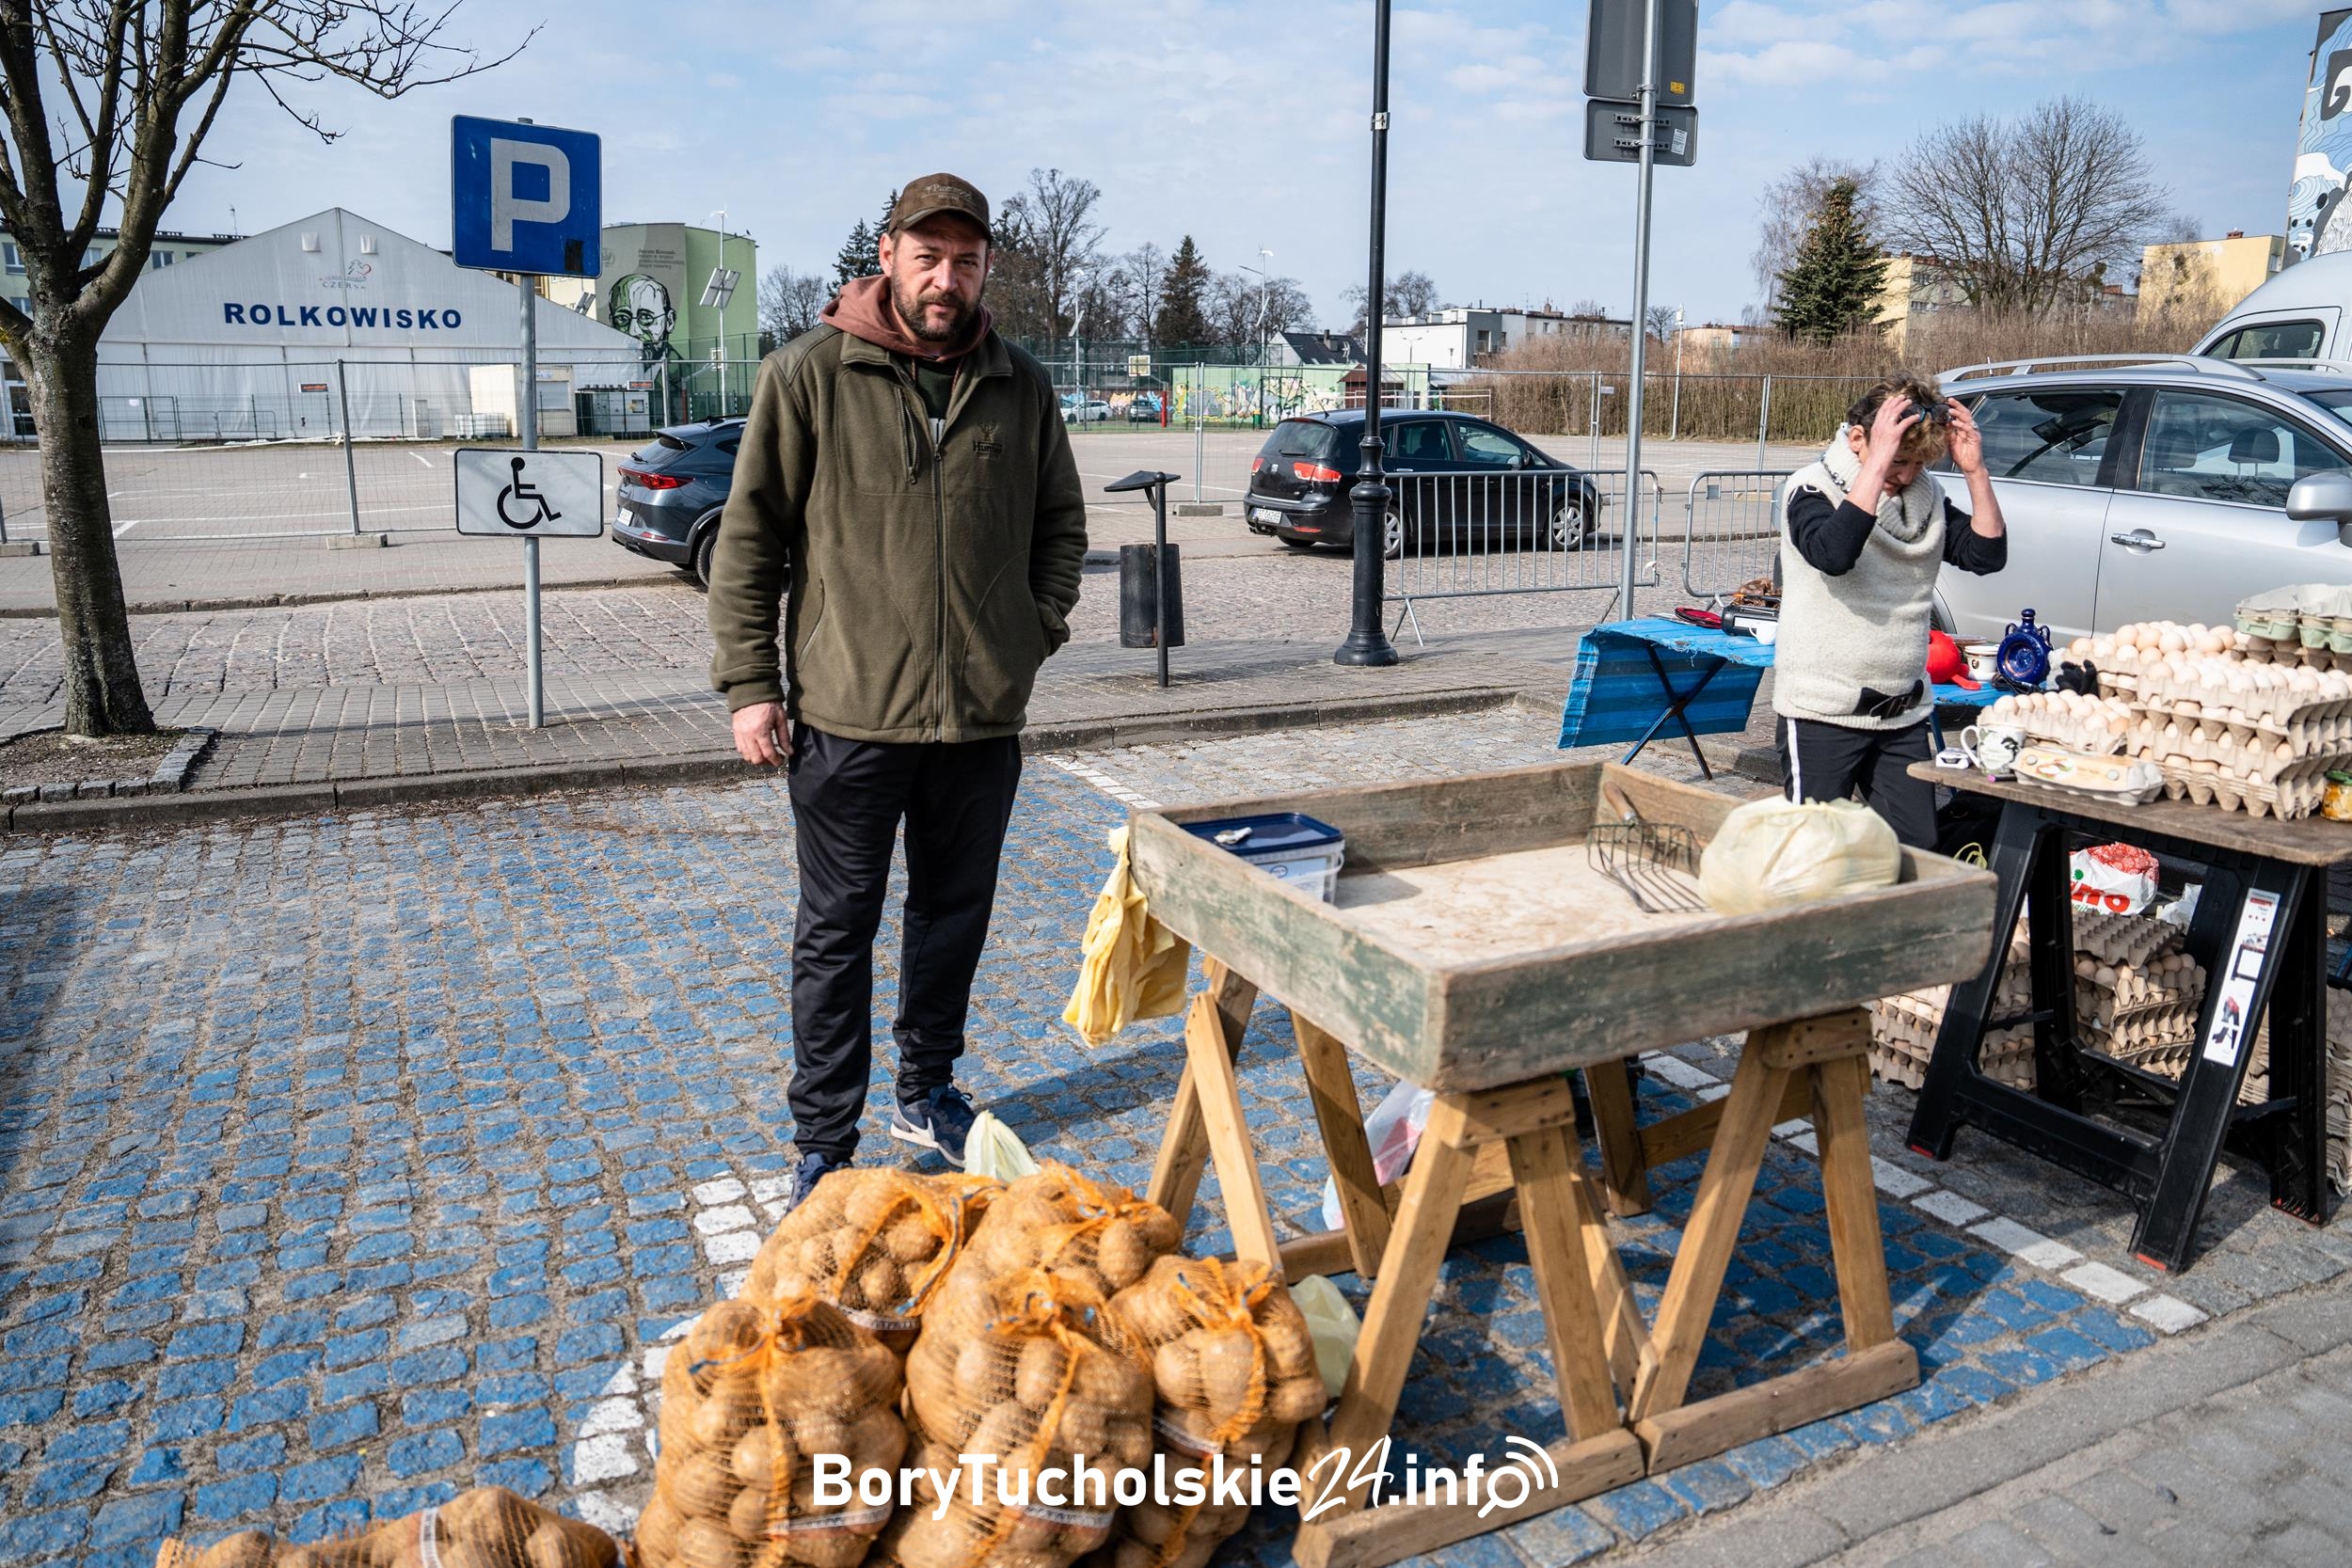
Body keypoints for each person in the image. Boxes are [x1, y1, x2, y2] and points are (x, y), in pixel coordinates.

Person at [707, 173, 1088, 1207]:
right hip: (847, 713)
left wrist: (1029, 632)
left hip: (979, 717)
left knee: (953, 913)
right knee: (837, 928)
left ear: (984, 269)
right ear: (888, 256)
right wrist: (752, 684)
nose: (945, 278)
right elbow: (749, 543)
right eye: (928, 257)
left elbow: (1061, 528)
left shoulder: (1021, 384)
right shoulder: (810, 373)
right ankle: (824, 1136)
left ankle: (927, 1088)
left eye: (965, 261)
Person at [1774, 375, 2006, 848]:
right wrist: (1878, 464)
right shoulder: (1810, 488)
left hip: (1902, 712)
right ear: (1858, 440)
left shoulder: (1927, 499)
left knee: (1916, 854)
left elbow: (1986, 555)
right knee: (1812, 854)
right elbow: (1833, 555)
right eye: (1900, 461)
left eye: (1919, 464)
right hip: (1824, 710)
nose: (1906, 476)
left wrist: (1975, 472)